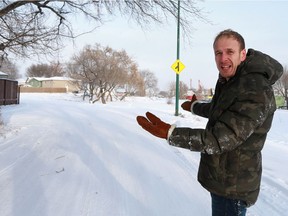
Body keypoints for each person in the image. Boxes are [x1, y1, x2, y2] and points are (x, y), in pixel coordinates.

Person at [136, 29, 283, 216]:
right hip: (222, 177)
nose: (223, 59)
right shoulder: (232, 80)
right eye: (218, 53)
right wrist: (195, 106)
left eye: (229, 52)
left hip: (234, 184)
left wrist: (171, 133)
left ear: (243, 54)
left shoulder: (254, 88)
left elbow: (221, 138)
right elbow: (220, 110)